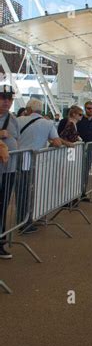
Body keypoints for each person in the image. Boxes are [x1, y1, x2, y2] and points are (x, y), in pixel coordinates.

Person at [15, 98, 62, 232]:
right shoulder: (48, 123)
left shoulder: (18, 120)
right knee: (36, 190)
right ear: (41, 110)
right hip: (39, 162)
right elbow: (57, 143)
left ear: (28, 109)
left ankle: (22, 220)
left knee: (21, 192)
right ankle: (32, 218)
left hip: (19, 159)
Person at [0, 84, 19, 259]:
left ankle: (1, 241)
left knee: (3, 206)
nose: (7, 101)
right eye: (3, 98)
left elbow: (17, 140)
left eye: (10, 98)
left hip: (9, 170)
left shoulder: (13, 119)